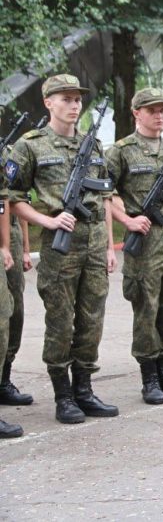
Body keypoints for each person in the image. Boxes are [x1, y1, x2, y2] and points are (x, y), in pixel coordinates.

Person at [8, 74, 119, 424]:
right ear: (48, 103)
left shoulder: (92, 144)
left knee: (92, 319)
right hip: (61, 247)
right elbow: (12, 197)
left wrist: (110, 246)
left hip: (94, 242)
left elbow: (105, 197)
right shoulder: (30, 146)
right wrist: (48, 220)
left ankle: (84, 389)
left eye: (77, 99)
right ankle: (63, 396)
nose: (74, 105)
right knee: (60, 322)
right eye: (66, 99)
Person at [107, 88, 163, 404]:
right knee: (147, 305)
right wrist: (127, 220)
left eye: (162, 110)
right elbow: (104, 194)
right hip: (146, 239)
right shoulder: (121, 151)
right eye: (152, 110)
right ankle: (150, 378)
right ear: (137, 113)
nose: (159, 115)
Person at [0, 138, 33, 408]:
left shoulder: (10, 153)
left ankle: (4, 378)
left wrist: (25, 249)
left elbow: (16, 200)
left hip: (10, 232)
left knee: (15, 310)